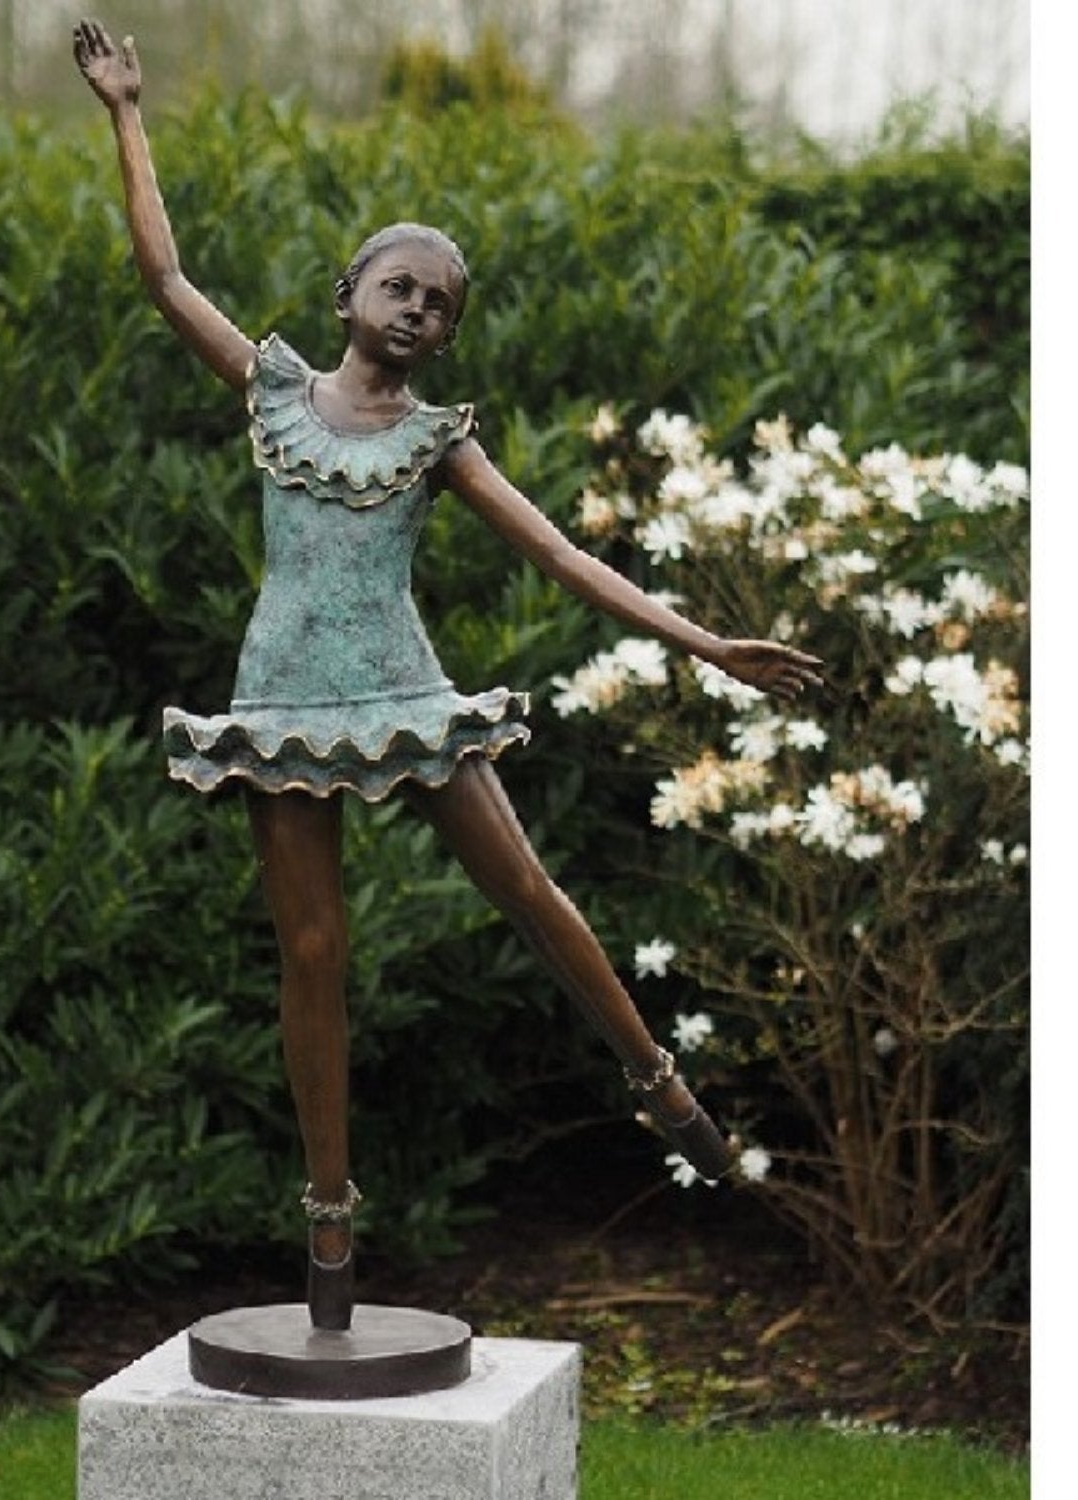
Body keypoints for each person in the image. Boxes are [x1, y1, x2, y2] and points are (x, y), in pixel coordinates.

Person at [72, 18, 824, 1333]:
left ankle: (658, 1081)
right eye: (401, 287)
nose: (418, 310)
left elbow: (560, 555)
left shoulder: (438, 442)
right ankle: (328, 1219)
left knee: (527, 888)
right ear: (350, 293)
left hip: (408, 698)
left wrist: (706, 643)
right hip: (287, 704)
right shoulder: (276, 392)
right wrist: (127, 114)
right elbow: (166, 277)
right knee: (315, 953)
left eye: (439, 304)